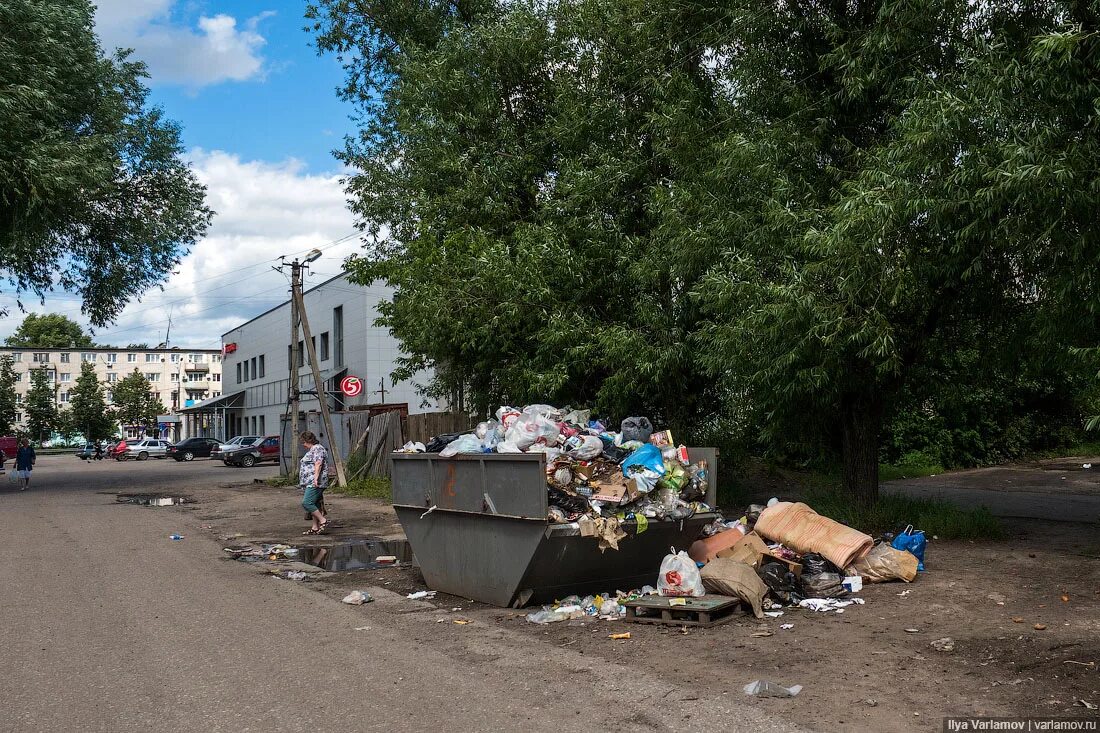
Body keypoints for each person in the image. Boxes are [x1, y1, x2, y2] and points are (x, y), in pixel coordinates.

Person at [299, 431, 330, 535]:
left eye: (303, 442)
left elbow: (318, 463)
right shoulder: (314, 449)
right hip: (311, 481)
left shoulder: (317, 448)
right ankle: (315, 527)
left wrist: (316, 479)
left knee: (307, 502)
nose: (303, 444)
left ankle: (323, 521)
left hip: (316, 481)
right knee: (315, 503)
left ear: (308, 440)